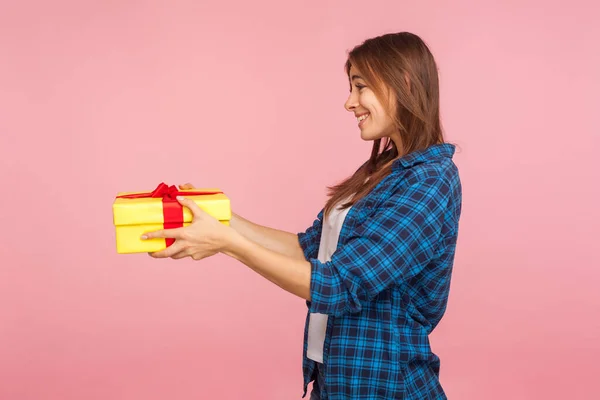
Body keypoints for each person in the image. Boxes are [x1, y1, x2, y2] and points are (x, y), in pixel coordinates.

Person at [141, 31, 462, 399]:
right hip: (334, 379)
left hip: (384, 386)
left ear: (402, 83)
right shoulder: (385, 171)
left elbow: (339, 284)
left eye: (360, 87)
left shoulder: (429, 180)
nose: (349, 102)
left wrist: (228, 243)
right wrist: (222, 220)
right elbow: (309, 249)